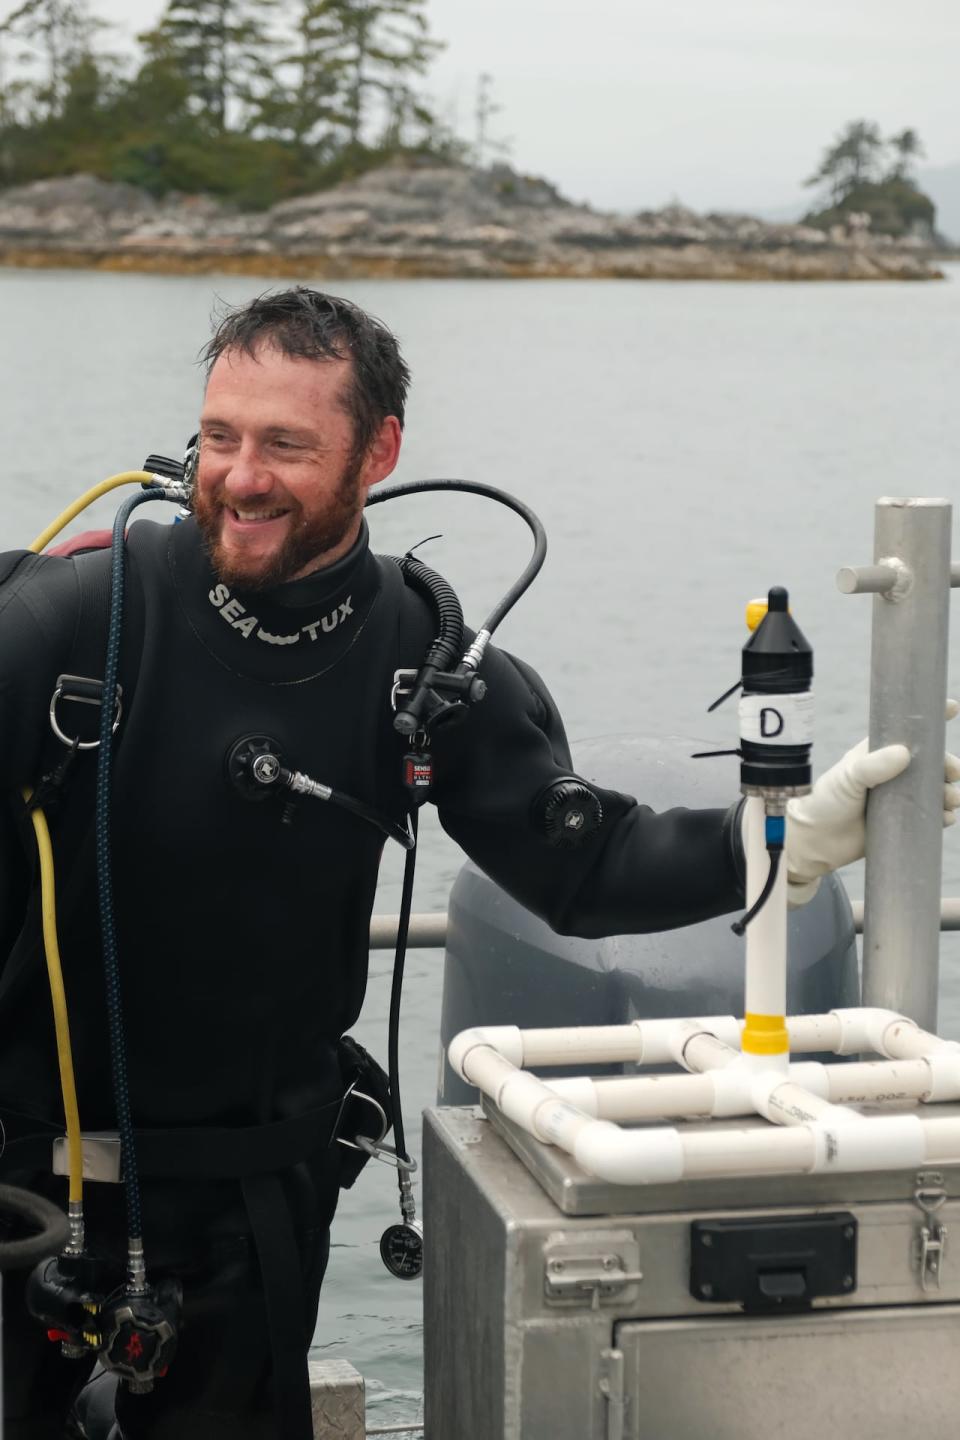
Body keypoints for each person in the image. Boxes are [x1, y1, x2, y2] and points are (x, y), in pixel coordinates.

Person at [0, 288, 944, 1440]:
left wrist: (776, 840)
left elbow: (583, 868)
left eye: (286, 445)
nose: (241, 477)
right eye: (220, 437)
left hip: (257, 1210)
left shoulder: (424, 659)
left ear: (378, 450)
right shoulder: (70, 626)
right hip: (29, 1201)